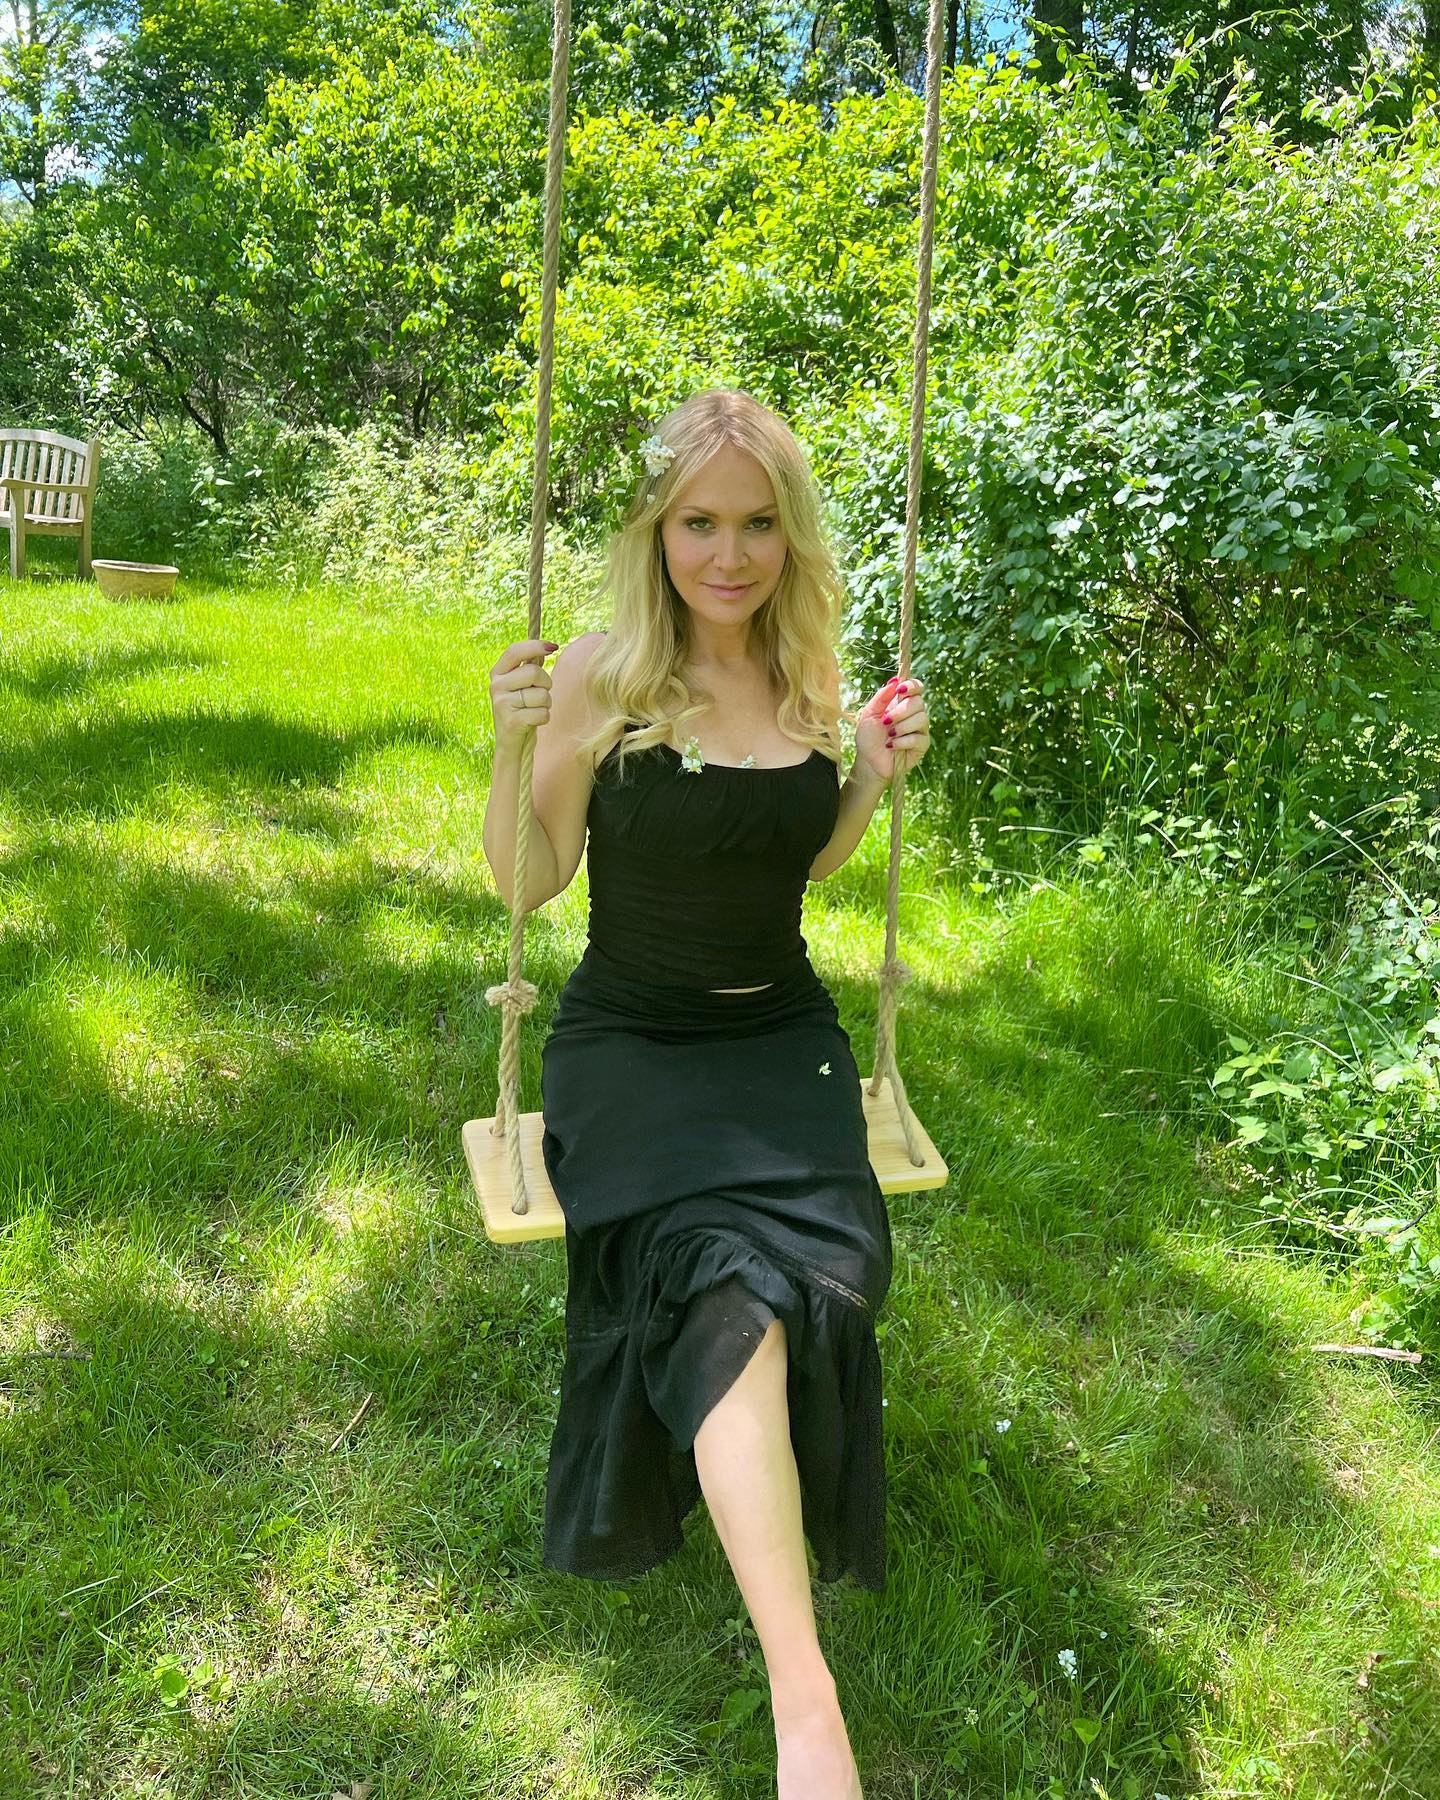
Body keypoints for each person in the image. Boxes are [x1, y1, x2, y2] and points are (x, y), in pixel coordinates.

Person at [483, 388, 931, 1800]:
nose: (727, 555)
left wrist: (868, 777)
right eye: (698, 524)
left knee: (807, 1284)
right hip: (631, 1044)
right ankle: (808, 1700)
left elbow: (800, 859)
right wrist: (512, 744)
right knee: (726, 1283)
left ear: (789, 537)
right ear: (655, 529)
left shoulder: (806, 671)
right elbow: (529, 882)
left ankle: (770, 1572)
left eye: (755, 524)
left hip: (780, 1042)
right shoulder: (603, 674)